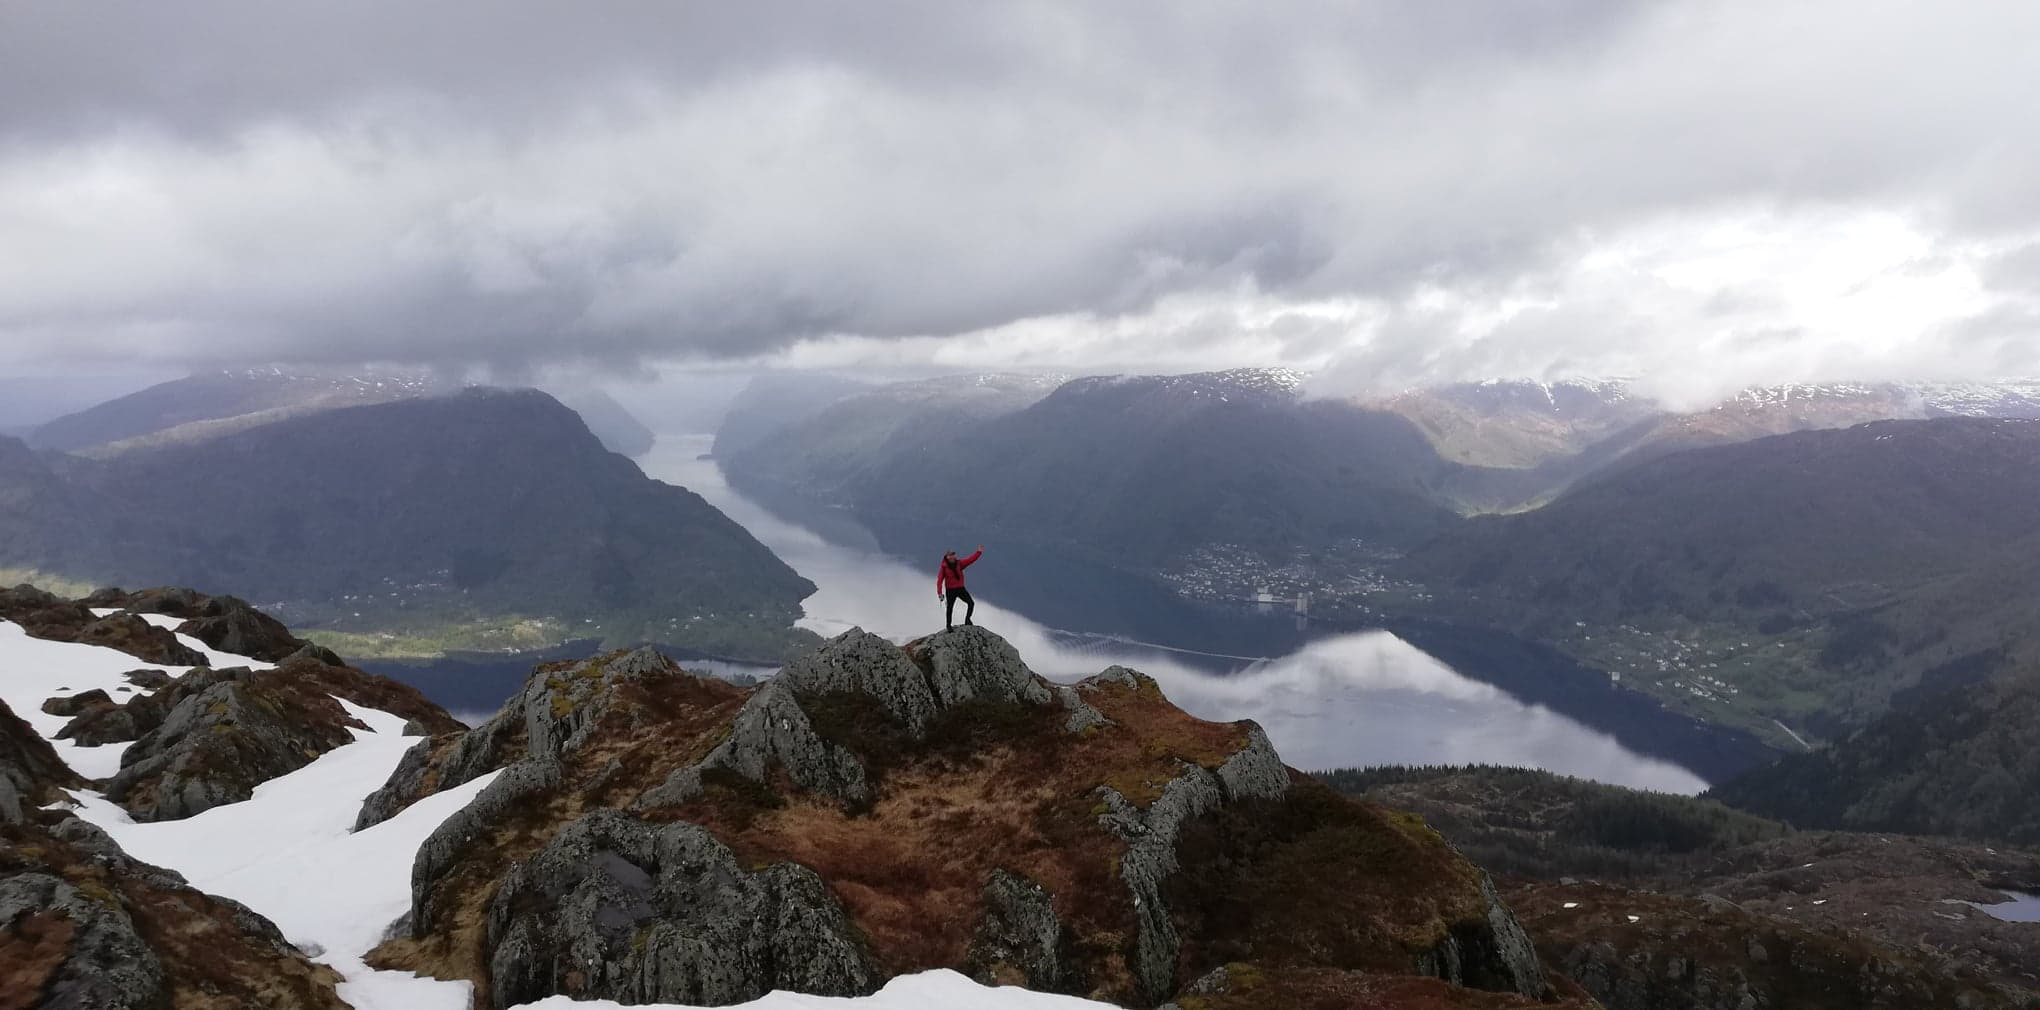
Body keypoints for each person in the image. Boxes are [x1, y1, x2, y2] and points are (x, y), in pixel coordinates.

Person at [936, 546, 983, 630]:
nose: (952, 556)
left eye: (953, 554)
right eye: (950, 555)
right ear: (946, 557)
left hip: (960, 589)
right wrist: (940, 593)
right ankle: (948, 625)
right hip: (950, 590)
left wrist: (978, 552)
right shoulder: (944, 567)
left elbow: (970, 560)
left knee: (971, 603)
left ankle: (967, 620)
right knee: (950, 608)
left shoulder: (959, 564)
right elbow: (939, 580)